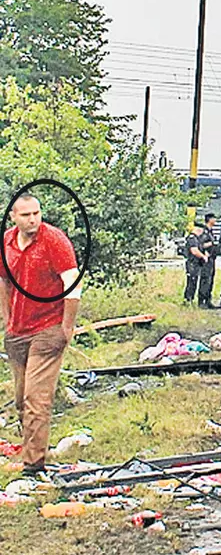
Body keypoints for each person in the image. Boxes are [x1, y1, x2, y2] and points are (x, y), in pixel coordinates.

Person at [1, 195, 81, 476]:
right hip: (17, 330)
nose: (33, 219)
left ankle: (33, 465)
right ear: (13, 217)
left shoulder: (54, 240)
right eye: (26, 215)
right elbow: (3, 280)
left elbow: (72, 284)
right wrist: (6, 318)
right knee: (21, 398)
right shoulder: (7, 242)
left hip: (48, 328)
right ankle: (30, 449)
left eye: (36, 213)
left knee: (36, 398)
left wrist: (66, 328)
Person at [183, 218, 210, 305]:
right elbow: (194, 251)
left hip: (196, 264)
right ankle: (188, 299)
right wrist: (203, 256)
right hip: (192, 263)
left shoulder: (196, 239)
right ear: (199, 230)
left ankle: (190, 299)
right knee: (191, 281)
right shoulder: (192, 238)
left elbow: (200, 247)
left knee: (194, 281)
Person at [197, 213, 219, 309]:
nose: (215, 220)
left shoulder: (211, 231)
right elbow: (201, 245)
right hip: (205, 259)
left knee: (210, 280)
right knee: (205, 279)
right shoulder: (204, 231)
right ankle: (201, 301)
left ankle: (208, 300)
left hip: (212, 258)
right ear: (209, 219)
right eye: (214, 218)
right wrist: (212, 243)